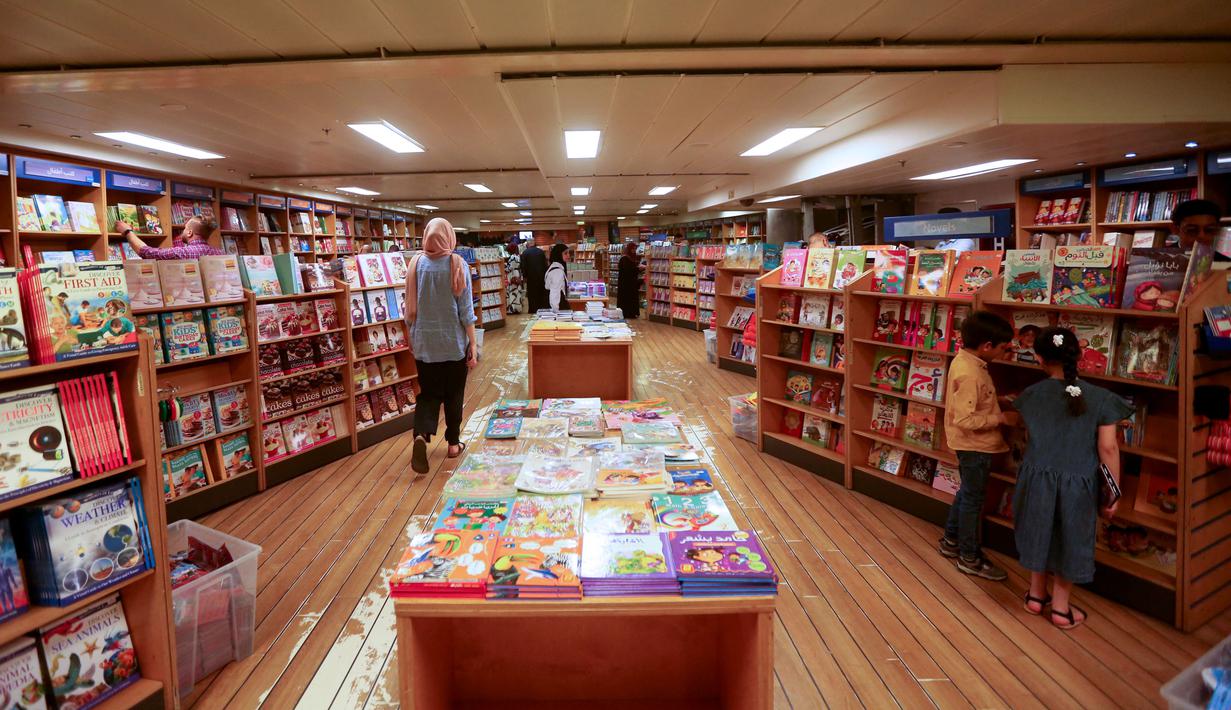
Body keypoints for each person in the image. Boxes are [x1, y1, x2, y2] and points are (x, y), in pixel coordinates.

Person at [1012, 327, 1131, 629]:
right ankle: (1061, 609)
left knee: (1039, 532)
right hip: (1077, 482)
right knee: (1070, 540)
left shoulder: (1030, 396)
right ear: (1078, 354)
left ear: (1038, 357)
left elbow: (1031, 432)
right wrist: (1114, 491)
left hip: (1035, 477)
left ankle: (1036, 597)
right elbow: (1108, 447)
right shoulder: (1102, 399)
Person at [939, 310, 1017, 580]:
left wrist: (1001, 399)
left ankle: (951, 540)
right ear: (987, 346)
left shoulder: (968, 362)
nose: (1005, 353)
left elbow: (973, 401)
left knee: (967, 493)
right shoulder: (971, 373)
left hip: (971, 444)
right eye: (1003, 348)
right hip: (975, 446)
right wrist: (1000, 418)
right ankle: (969, 557)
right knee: (973, 500)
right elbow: (965, 418)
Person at [405, 217, 478, 474]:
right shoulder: (457, 264)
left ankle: (421, 435)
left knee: (429, 393)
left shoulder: (415, 264)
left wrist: (411, 336)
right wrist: (473, 343)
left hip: (424, 342)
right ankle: (453, 444)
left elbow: (409, 307)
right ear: (448, 236)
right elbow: (466, 311)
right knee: (454, 393)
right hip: (452, 343)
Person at [117, 216, 224, 259]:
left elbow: (147, 252)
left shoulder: (183, 253)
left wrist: (127, 231)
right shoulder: (221, 254)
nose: (183, 231)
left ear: (189, 233)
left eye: (185, 229)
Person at [521, 236, 548, 312]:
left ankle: (532, 309)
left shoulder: (525, 253)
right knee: (540, 293)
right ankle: (541, 309)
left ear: (528, 244)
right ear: (534, 243)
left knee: (532, 294)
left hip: (531, 278)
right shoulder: (541, 252)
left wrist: (525, 276)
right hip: (541, 277)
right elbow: (545, 265)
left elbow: (523, 266)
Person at [616, 241, 642, 319]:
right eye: (633, 249)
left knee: (631, 299)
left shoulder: (630, 258)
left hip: (630, 283)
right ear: (629, 249)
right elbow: (628, 270)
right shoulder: (625, 258)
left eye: (635, 249)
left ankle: (632, 313)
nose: (634, 250)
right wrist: (638, 269)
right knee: (627, 299)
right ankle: (627, 313)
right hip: (626, 284)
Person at [545, 243, 571, 312]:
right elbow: (555, 293)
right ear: (558, 254)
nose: (568, 255)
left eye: (568, 253)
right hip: (560, 307)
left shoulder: (554, 267)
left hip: (558, 305)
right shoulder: (557, 271)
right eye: (565, 253)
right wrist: (556, 313)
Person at [505, 242, 525, 314]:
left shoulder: (513, 257)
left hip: (512, 275)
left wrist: (504, 268)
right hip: (517, 274)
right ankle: (517, 308)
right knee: (517, 291)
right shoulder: (518, 256)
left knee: (512, 291)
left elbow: (510, 268)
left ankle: (512, 309)